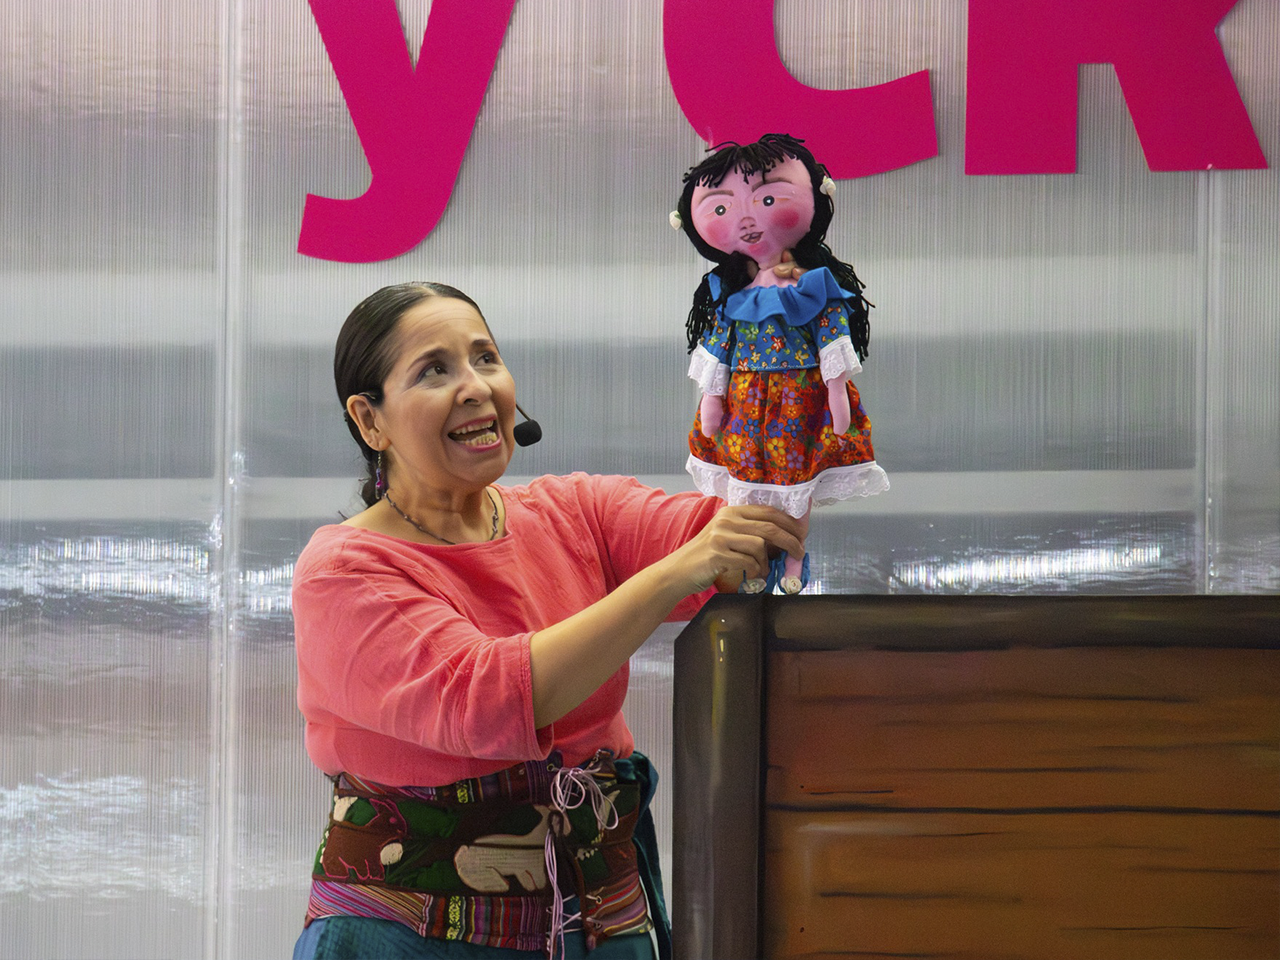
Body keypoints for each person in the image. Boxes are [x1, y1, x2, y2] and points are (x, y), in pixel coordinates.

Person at [290, 282, 808, 960]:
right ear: (370, 420)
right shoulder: (344, 568)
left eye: (485, 358)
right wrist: (674, 574)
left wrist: (782, 361)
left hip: (601, 925)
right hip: (409, 938)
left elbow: (744, 538)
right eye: (434, 371)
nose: (476, 387)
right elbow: (486, 699)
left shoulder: (574, 510)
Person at [673, 134, 889, 594]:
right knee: (746, 488)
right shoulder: (728, 291)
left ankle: (794, 559)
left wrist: (836, 391)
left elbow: (830, 334)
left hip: (800, 400)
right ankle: (753, 564)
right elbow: (719, 344)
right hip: (744, 405)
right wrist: (711, 397)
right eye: (722, 207)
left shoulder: (813, 285)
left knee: (796, 487)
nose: (747, 219)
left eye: (768, 199)